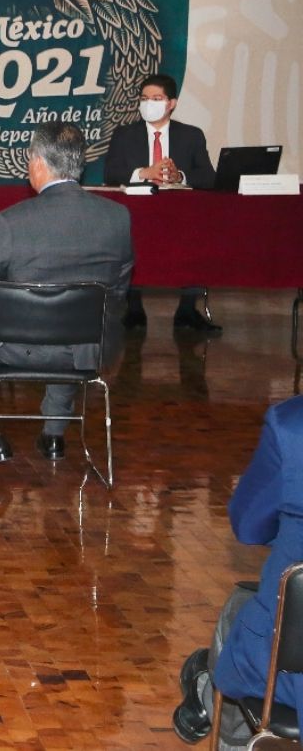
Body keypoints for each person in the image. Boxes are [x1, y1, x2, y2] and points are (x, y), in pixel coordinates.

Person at [0, 122, 134, 468]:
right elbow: (118, 291)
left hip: (19, 348)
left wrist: (23, 317)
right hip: (89, 348)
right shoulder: (117, 217)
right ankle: (54, 434)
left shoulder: (10, 221)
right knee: (74, 318)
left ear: (37, 162)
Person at [173, 395, 303, 748]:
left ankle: (208, 693)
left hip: (289, 674)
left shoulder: (293, 426)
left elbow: (248, 525)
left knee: (239, 613)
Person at [102, 73, 220, 333]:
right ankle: (134, 309)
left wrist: (180, 176)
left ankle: (187, 310)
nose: (148, 104)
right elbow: (110, 173)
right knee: (128, 241)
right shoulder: (124, 134)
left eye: (156, 99)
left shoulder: (191, 135)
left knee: (199, 239)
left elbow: (209, 177)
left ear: (171, 103)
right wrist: (144, 173)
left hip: (180, 215)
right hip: (139, 213)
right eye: (144, 98)